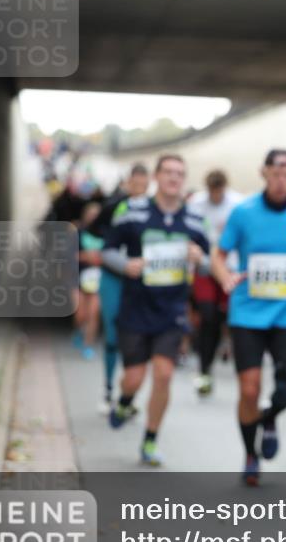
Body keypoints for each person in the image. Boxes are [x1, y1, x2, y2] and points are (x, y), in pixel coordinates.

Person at [211, 149, 286, 486]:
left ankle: (268, 418)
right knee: (249, 388)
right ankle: (250, 454)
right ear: (264, 173)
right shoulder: (243, 212)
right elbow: (219, 254)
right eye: (275, 170)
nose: (281, 176)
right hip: (247, 312)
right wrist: (224, 277)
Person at [102, 154, 209, 466]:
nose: (174, 178)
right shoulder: (131, 212)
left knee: (163, 375)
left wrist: (198, 258)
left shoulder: (193, 220)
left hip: (172, 310)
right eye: (168, 172)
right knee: (134, 378)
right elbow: (107, 250)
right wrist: (126, 265)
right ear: (157, 177)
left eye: (180, 173)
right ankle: (124, 402)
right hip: (136, 306)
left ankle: (150, 440)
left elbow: (207, 266)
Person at [89, 163, 150, 413]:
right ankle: (108, 390)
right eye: (135, 183)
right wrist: (111, 252)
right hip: (113, 277)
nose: (139, 188)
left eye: (144, 184)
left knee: (134, 339)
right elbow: (92, 233)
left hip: (138, 281)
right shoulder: (114, 206)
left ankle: (129, 394)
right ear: (128, 182)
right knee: (113, 337)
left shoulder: (152, 209)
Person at [188, 170, 244, 396]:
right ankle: (204, 368)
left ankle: (224, 350)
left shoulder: (238, 204)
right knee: (207, 316)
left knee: (225, 317)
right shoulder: (196, 204)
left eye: (219, 191)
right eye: (213, 191)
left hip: (230, 268)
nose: (216, 195)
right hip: (205, 267)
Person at [75, 202, 104, 361]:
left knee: (94, 313)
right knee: (81, 314)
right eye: (91, 214)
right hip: (80, 277)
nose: (94, 218)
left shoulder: (106, 233)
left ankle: (88, 344)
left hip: (98, 278)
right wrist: (86, 256)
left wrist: (101, 258)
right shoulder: (77, 232)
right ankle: (79, 330)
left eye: (96, 215)